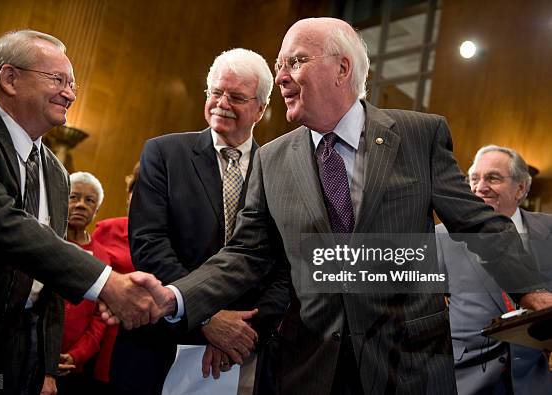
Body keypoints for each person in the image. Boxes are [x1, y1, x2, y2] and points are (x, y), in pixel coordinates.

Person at [111, 17, 552, 395]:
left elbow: (476, 223)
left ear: (343, 68)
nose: (280, 75)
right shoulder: (272, 157)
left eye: (295, 62)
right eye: (280, 63)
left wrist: (531, 293)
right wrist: (176, 297)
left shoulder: (419, 134)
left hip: (408, 364)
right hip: (307, 367)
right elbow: (246, 255)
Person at [0, 29, 160, 394]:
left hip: (25, 350)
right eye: (58, 80)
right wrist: (107, 284)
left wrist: (47, 366)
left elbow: (50, 272)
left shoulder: (58, 174)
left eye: (73, 83)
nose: (70, 94)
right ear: (10, 78)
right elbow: (6, 225)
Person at [111, 48, 290, 395]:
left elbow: (283, 265)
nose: (222, 103)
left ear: (261, 109)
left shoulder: (280, 170)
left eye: (236, 97)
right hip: (161, 343)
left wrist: (242, 332)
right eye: (215, 92)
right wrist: (207, 317)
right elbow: (149, 245)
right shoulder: (162, 154)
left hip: (243, 351)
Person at [437, 145, 552, 394]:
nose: (480, 187)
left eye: (493, 178)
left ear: (521, 188)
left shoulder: (549, 230)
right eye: (474, 178)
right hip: (466, 380)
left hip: (535, 380)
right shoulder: (440, 236)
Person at [58, 172, 109, 394]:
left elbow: (100, 318)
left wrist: (77, 355)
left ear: (96, 210)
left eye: (89, 200)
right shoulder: (45, 242)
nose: (80, 205)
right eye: (73, 197)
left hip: (74, 368)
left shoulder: (103, 257)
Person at [90, 163, 138, 388]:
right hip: (99, 331)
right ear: (128, 195)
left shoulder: (170, 239)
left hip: (140, 337)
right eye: (136, 191)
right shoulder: (107, 229)